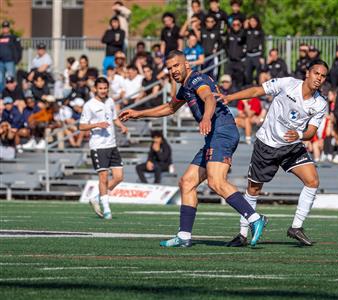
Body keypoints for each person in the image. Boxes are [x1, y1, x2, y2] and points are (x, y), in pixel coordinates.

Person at [119, 50, 267, 248]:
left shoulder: (197, 79)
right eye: (169, 68)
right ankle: (184, 235)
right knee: (187, 182)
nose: (173, 70)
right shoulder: (185, 87)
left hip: (222, 132)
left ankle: (255, 218)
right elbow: (170, 108)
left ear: (186, 64)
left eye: (176, 66)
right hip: (214, 136)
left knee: (216, 182)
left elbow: (209, 98)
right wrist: (139, 113)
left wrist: (206, 118)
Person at [217, 60, 328, 247]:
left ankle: (296, 227)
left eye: (323, 76)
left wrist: (299, 134)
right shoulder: (287, 84)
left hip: (292, 146)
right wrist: (230, 97)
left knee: (313, 181)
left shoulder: (320, 104)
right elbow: (255, 91)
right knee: (253, 189)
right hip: (266, 145)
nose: (319, 78)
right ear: (308, 73)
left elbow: (311, 132)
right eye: (316, 73)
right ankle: (243, 234)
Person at [79, 77, 128, 220]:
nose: (103, 91)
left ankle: (96, 197)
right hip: (98, 146)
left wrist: (122, 126)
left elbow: (113, 118)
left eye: (105, 88)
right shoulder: (89, 105)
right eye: (100, 88)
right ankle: (107, 209)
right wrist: (96, 125)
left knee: (119, 177)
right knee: (104, 177)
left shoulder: (110, 101)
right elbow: (81, 126)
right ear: (95, 89)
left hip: (112, 144)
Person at [0, 21, 22, 92]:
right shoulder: (0, 37)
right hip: (1, 62)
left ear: (9, 28)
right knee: (1, 79)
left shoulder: (13, 37)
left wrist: (17, 60)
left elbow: (19, 49)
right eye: (4, 27)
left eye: (6, 27)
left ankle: (12, 94)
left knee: (11, 79)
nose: (5, 29)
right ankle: (2, 94)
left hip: (10, 61)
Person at [225, 18, 246, 88]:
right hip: (230, 61)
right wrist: (229, 54)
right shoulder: (229, 34)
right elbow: (226, 46)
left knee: (239, 82)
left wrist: (242, 56)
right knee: (227, 80)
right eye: (234, 25)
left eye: (238, 24)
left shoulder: (243, 34)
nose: (236, 26)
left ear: (240, 25)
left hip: (239, 62)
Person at [199, 15, 222, 79]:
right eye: (208, 21)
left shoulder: (217, 32)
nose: (209, 23)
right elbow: (199, 42)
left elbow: (221, 44)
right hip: (203, 57)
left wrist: (216, 49)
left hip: (213, 57)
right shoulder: (202, 31)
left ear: (214, 23)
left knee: (213, 76)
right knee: (203, 75)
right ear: (205, 22)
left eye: (211, 21)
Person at [244, 15, 264, 85]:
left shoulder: (260, 31)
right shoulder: (247, 31)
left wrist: (262, 56)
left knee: (259, 74)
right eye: (251, 21)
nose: (253, 23)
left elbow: (263, 44)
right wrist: (245, 28)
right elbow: (241, 38)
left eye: (254, 21)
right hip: (248, 55)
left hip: (257, 55)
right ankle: (249, 89)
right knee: (247, 74)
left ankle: (258, 89)